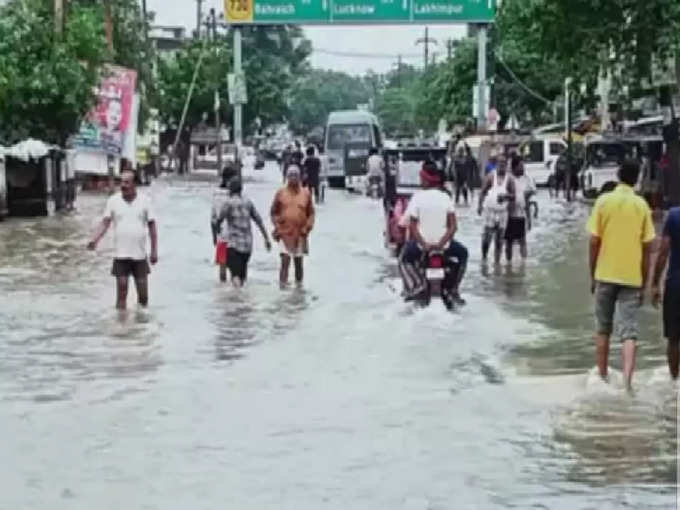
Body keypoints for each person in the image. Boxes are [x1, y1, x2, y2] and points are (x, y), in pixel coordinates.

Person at [587, 159, 655, 390]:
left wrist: (592, 273)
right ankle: (627, 381)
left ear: (617, 176)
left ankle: (603, 376)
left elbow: (594, 242)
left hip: (604, 274)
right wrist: (645, 281)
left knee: (602, 328)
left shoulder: (603, 202)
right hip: (631, 277)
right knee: (629, 331)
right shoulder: (642, 206)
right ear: (636, 179)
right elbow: (648, 249)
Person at [400, 160, 469, 309]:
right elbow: (453, 227)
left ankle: (417, 285)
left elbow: (411, 226)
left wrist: (424, 245)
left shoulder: (417, 197)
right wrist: (441, 243)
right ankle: (453, 289)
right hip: (444, 245)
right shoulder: (445, 197)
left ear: (424, 180)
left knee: (403, 259)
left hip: (421, 246)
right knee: (463, 255)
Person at [87, 170, 158, 310]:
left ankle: (142, 323)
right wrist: (95, 240)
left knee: (143, 295)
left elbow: (152, 227)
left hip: (139, 255)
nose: (123, 185)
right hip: (121, 254)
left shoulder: (145, 201)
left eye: (126, 182)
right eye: (121, 182)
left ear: (134, 184)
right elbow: (105, 223)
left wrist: (154, 251)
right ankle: (121, 323)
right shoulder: (113, 201)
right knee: (122, 290)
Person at [217, 179, 271, 287]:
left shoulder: (228, 203)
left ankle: (237, 299)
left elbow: (218, 220)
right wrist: (266, 239)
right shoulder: (248, 202)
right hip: (247, 246)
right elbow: (259, 221)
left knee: (235, 276)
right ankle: (243, 301)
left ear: (230, 190)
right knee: (242, 277)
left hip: (233, 245)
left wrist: (217, 233)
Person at [271, 165, 315, 287]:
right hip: (284, 233)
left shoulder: (306, 193)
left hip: (300, 234)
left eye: (296, 175)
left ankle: (299, 289)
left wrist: (307, 227)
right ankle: (283, 287)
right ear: (286, 177)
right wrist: (277, 227)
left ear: (300, 177)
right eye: (290, 175)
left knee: (298, 263)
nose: (293, 178)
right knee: (285, 261)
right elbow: (273, 212)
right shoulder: (280, 193)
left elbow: (311, 213)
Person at [652, 206, 680, 379]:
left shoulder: (674, 216)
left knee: (673, 337)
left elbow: (663, 252)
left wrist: (655, 282)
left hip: (676, 283)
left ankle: (674, 381)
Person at [478, 153, 515, 264]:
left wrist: (505, 196)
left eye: (504, 163)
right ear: (496, 164)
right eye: (500, 163)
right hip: (490, 211)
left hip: (503, 212)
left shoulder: (510, 179)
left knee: (499, 239)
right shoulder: (490, 176)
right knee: (486, 238)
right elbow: (482, 192)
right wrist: (479, 206)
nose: (502, 165)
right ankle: (484, 257)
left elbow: (513, 196)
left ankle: (497, 262)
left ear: (507, 164)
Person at [505, 154, 536, 261]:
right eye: (521, 166)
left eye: (523, 166)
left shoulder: (526, 179)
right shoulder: (508, 179)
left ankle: (524, 264)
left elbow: (527, 200)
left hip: (521, 215)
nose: (523, 168)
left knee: (523, 240)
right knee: (508, 242)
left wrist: (529, 219)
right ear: (514, 167)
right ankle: (508, 263)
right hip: (509, 216)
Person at [211, 168, 234, 282]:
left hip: (222, 234)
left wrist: (214, 236)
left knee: (222, 267)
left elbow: (213, 218)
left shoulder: (216, 194)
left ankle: (223, 293)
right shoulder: (236, 195)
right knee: (236, 269)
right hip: (235, 236)